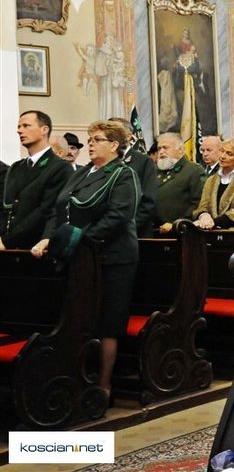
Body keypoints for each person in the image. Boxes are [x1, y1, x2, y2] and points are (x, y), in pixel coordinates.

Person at [31, 120, 141, 401]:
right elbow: (59, 208)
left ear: (114, 145)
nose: (90, 144)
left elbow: (118, 216)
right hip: (79, 257)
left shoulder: (123, 174)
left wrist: (79, 239)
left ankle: (104, 385)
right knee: (79, 317)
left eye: (97, 139)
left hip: (111, 258)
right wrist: (50, 237)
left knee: (108, 321)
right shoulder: (81, 172)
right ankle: (77, 378)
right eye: (89, 139)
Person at [0, 111, 73, 250]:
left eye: (26, 126)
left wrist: (7, 241)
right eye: (19, 126)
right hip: (8, 247)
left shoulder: (59, 167)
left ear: (44, 130)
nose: (19, 130)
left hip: (35, 248)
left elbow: (45, 210)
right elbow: (6, 208)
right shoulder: (16, 167)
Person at [193, 136, 234, 230]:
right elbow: (203, 206)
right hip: (209, 233)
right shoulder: (211, 180)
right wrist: (204, 216)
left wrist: (213, 222)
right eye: (222, 151)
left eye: (229, 154)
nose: (222, 156)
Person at [109, 117, 158, 238]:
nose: (110, 136)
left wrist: (126, 227)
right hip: (107, 232)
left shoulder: (143, 161)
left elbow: (148, 202)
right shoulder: (105, 162)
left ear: (128, 136)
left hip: (135, 234)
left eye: (114, 132)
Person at [155, 133, 206, 232]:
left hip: (181, 230)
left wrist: (178, 223)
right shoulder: (155, 171)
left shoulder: (194, 171)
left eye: (165, 148)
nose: (161, 152)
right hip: (155, 230)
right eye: (159, 148)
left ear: (180, 150)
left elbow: (198, 203)